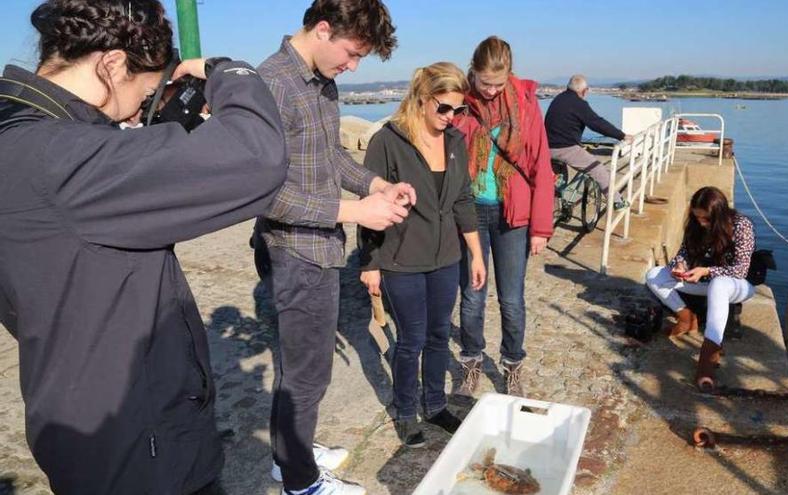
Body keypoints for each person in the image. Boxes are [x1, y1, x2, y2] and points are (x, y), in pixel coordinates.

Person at [0, 1, 288, 493]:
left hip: (84, 419)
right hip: (138, 444)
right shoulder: (61, 158)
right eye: (147, 91)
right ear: (111, 64)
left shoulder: (25, 136)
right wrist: (229, 72)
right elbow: (257, 156)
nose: (141, 108)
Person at [253, 1, 414, 494]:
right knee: (307, 374)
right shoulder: (271, 85)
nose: (353, 66)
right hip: (295, 250)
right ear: (323, 30)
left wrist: (375, 185)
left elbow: (332, 157)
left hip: (320, 245)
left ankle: (290, 454)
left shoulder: (321, 81)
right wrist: (354, 212)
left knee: (302, 368)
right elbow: (262, 192)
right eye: (351, 53)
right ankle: (301, 484)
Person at [358, 62, 487, 448]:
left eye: (458, 110)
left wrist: (476, 255)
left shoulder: (455, 143)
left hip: (447, 258)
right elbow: (368, 206)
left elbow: (464, 200)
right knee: (410, 338)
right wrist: (370, 264)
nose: (451, 117)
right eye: (443, 108)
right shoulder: (388, 141)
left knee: (436, 335)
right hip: (402, 258)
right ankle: (406, 409)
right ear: (421, 99)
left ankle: (434, 405)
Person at [453, 36, 554, 398]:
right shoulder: (460, 102)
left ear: (509, 74)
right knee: (472, 295)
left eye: (498, 83)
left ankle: (512, 365)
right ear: (473, 74)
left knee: (511, 298)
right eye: (484, 83)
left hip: (515, 215)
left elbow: (542, 164)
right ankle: (471, 363)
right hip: (471, 210)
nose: (492, 91)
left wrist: (541, 227)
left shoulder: (526, 103)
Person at [645, 186, 756, 389]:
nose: (701, 222)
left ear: (719, 215)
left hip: (735, 286)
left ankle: (709, 353)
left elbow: (741, 270)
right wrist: (679, 266)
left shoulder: (741, 226)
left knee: (719, 285)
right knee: (653, 275)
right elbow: (683, 253)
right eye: (697, 217)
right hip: (700, 281)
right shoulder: (695, 226)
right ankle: (686, 319)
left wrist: (706, 271)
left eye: (706, 218)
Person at [544, 74, 633, 209]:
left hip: (547, 148)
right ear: (584, 91)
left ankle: (553, 212)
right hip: (566, 148)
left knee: (558, 181)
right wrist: (621, 135)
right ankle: (617, 201)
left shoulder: (558, 99)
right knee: (598, 169)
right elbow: (597, 123)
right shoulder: (579, 103)